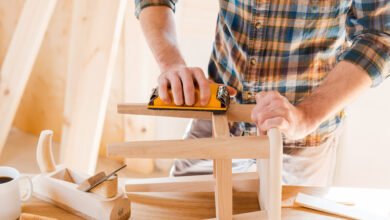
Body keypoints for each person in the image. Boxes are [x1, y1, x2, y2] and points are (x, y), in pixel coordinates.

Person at [135, 0, 389, 186]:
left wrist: (306, 116)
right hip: (218, 115)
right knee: (180, 209)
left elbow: (380, 36)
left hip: (303, 138)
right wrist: (171, 62)